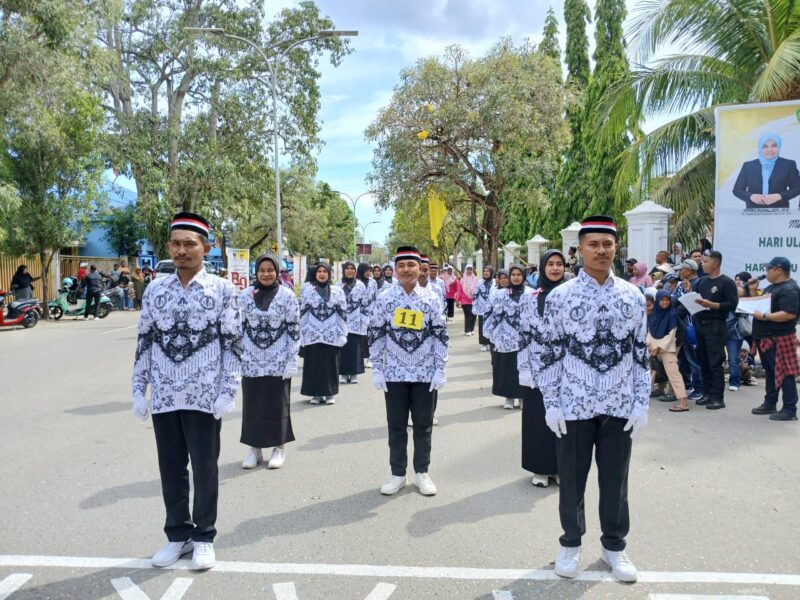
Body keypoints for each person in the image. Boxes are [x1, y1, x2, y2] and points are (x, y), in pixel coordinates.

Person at [539, 215, 648, 583]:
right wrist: (550, 402)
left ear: (616, 247)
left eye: (608, 244)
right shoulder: (560, 297)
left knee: (616, 480)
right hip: (573, 404)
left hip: (619, 404)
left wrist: (642, 401)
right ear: (579, 250)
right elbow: (550, 352)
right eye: (593, 244)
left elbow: (639, 353)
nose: (601, 251)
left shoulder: (632, 296)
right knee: (571, 479)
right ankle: (570, 543)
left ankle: (614, 546)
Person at [132, 211, 243, 572]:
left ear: (205, 248)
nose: (182, 250)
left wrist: (228, 391)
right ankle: (177, 535)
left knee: (205, 468)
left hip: (205, 396)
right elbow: (145, 341)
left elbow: (233, 345)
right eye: (176, 244)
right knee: (171, 469)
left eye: (189, 244)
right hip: (165, 396)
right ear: (168, 246)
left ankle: (204, 537)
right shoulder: (155, 290)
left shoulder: (224, 291)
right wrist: (139, 389)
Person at [369, 246, 447, 497]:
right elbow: (376, 332)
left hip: (424, 374)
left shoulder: (432, 298)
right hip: (394, 374)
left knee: (423, 426)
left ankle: (422, 473)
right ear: (395, 269)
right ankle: (398, 474)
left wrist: (439, 368)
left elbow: (440, 335)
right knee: (396, 426)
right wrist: (377, 368)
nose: (406, 270)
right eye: (401, 265)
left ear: (419, 268)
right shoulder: (385, 298)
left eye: (411, 265)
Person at [240, 253, 300, 471]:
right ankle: (254, 449)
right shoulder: (245, 295)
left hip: (278, 361)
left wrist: (291, 360)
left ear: (277, 272)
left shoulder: (287, 296)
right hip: (251, 361)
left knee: (277, 405)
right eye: (262, 270)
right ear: (256, 272)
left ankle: (279, 447)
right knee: (252, 405)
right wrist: (237, 357)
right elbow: (238, 328)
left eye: (270, 270)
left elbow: (294, 331)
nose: (266, 274)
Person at [518, 250, 565, 487]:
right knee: (537, 418)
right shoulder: (529, 297)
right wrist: (523, 368)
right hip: (536, 369)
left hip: (566, 370)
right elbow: (524, 335)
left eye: (560, 264)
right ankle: (539, 469)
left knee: (563, 421)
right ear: (543, 267)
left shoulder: (571, 296)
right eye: (551, 264)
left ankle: (559, 468)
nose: (555, 268)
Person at [751, 256, 800, 421]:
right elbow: (760, 304)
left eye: (768, 269)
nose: (766, 272)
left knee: (786, 373)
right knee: (772, 372)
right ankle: (770, 402)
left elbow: (789, 314)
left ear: (778, 270)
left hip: (780, 338)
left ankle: (789, 408)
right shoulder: (772, 287)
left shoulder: (789, 289)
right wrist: (752, 290)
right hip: (766, 338)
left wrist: (764, 316)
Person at [693, 250, 739, 410]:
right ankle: (707, 393)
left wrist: (713, 305)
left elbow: (733, 304)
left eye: (705, 261)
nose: (702, 264)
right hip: (700, 324)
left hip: (716, 326)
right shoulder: (702, 281)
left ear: (716, 263)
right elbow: (696, 299)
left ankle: (718, 397)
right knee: (703, 361)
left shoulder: (726, 282)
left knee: (715, 362)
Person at [483, 264, 532, 410]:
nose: (516, 277)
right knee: (507, 369)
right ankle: (509, 397)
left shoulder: (531, 293)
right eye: (513, 275)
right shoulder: (500, 295)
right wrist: (490, 333)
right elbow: (489, 312)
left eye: (519, 274)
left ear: (523, 276)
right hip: (505, 339)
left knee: (523, 368)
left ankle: (523, 397)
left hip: (525, 340)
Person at [299, 263, 348, 405]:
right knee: (313, 365)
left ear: (329, 274)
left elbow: (342, 314)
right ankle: (315, 394)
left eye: (324, 271)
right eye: (319, 271)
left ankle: (329, 393)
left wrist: (343, 333)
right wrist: (301, 333)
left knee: (330, 365)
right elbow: (302, 313)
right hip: (312, 334)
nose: (321, 274)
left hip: (331, 333)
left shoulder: (337, 291)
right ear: (315, 274)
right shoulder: (307, 290)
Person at [733, 133, 800, 209]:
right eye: (765, 146)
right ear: (760, 147)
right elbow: (737, 190)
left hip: (780, 213)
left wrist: (779, 196)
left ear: (779, 146)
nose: (769, 149)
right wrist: (751, 196)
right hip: (753, 213)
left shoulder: (788, 165)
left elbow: (797, 188)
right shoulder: (748, 166)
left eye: (774, 145)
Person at [648, 291, 689, 412]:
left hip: (669, 347)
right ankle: (660, 390)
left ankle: (683, 402)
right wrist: (650, 345)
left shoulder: (672, 315)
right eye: (662, 300)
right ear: (658, 300)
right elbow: (650, 331)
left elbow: (671, 335)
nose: (665, 302)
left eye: (667, 300)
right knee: (658, 369)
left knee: (673, 373)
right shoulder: (654, 314)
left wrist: (659, 347)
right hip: (654, 346)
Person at [672, 259, 705, 401]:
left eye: (682, 269)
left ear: (688, 270)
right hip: (685, 327)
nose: (679, 272)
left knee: (694, 360)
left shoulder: (697, 284)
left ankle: (699, 388)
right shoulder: (684, 284)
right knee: (685, 359)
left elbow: (691, 305)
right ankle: (689, 384)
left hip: (692, 327)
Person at [338, 261, 369, 384]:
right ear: (344, 270)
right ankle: (344, 374)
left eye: (352, 268)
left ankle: (354, 373)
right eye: (347, 268)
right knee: (343, 348)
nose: (350, 270)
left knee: (355, 348)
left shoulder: (360, 285)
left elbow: (365, 304)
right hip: (341, 323)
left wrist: (364, 322)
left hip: (356, 322)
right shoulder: (338, 285)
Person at [356, 263, 375, 368]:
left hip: (371, 313)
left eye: (369, 270)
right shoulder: (356, 283)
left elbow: (375, 297)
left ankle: (370, 358)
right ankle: (359, 358)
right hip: (358, 314)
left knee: (370, 336)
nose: (368, 273)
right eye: (366, 270)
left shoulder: (373, 283)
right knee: (360, 337)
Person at [472, 265, 495, 352]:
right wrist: (475, 306)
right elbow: (475, 294)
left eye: (488, 271)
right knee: (482, 326)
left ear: (491, 272)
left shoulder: (494, 282)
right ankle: (484, 343)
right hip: (482, 309)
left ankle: (490, 342)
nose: (486, 273)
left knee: (491, 325)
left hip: (492, 309)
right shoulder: (479, 282)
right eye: (484, 271)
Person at [457, 265, 478, 336]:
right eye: (468, 269)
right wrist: (457, 300)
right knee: (468, 315)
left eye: (470, 269)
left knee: (474, 315)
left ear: (472, 270)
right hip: (465, 301)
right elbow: (459, 291)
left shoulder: (476, 279)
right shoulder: (462, 280)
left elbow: (478, 290)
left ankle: (471, 329)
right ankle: (467, 330)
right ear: (465, 270)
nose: (469, 271)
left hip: (474, 300)